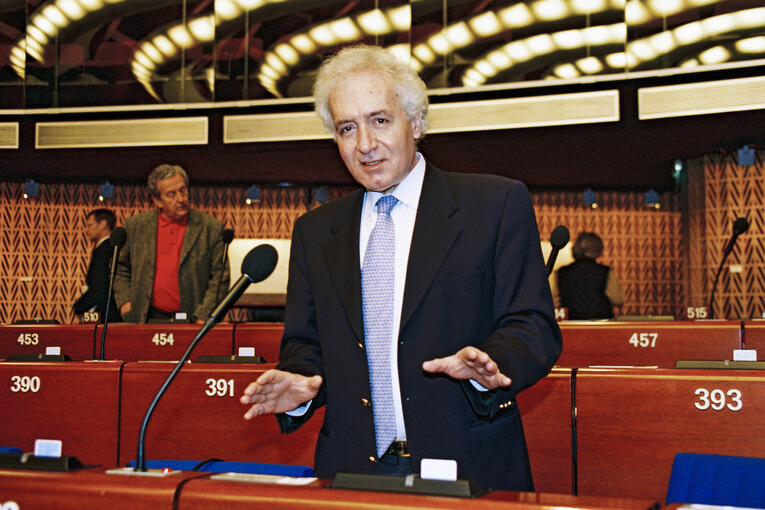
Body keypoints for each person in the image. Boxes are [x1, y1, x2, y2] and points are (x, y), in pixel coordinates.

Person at [240, 45, 561, 491]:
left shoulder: (494, 205)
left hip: (466, 461)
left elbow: (533, 326)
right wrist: (299, 384)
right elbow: (305, 343)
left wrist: (493, 365)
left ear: (416, 123)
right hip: (351, 470)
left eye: (380, 120)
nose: (365, 145)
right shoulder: (316, 232)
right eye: (347, 128)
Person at [114, 164, 230, 323]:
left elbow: (219, 278)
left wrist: (204, 316)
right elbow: (119, 268)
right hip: (144, 318)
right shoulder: (136, 226)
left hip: (192, 320)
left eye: (183, 191)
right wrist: (125, 303)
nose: (181, 199)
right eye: (171, 194)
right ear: (157, 200)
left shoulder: (210, 227)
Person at [554, 232, 624, 319]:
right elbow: (618, 299)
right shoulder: (604, 272)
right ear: (598, 250)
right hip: (601, 325)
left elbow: (555, 302)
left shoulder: (561, 272)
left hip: (571, 325)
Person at [73, 208, 121, 322]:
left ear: (103, 224)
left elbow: (99, 288)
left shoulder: (103, 250)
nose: (86, 230)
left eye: (89, 225)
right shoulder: (115, 247)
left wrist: (78, 307)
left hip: (108, 316)